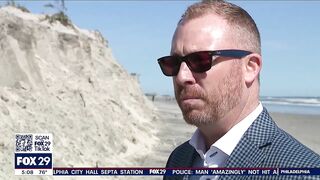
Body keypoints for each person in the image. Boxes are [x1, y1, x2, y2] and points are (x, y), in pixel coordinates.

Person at [157, 0, 320, 179]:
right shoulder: (179, 159)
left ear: (250, 67)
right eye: (172, 64)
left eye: (200, 60)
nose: (181, 76)